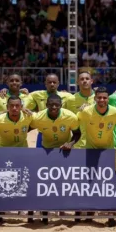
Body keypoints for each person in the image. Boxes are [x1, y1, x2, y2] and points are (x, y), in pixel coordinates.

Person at [30, 93, 81, 224]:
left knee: (65, 182)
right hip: (46, 151)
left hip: (64, 151)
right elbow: (25, 128)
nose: (53, 107)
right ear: (46, 105)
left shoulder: (70, 117)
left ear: (61, 105)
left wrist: (70, 143)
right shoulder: (38, 117)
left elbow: (77, 133)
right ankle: (45, 214)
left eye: (56, 105)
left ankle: (66, 210)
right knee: (46, 183)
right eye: (51, 104)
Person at [77, 86, 116, 223]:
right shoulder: (86, 112)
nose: (102, 100)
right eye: (99, 97)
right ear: (95, 98)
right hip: (90, 151)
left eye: (104, 97)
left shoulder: (115, 112)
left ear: (108, 99)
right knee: (91, 185)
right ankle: (90, 216)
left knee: (109, 185)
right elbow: (74, 123)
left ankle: (111, 217)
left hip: (108, 151)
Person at [0, 95, 34, 223]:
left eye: (17, 106)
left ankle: (24, 210)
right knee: (3, 182)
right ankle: (0, 211)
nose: (14, 108)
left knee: (24, 181)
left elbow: (41, 119)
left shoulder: (28, 117)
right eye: (11, 106)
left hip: (22, 153)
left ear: (21, 107)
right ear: (7, 107)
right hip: (3, 153)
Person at [25, 73, 73, 148]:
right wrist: (21, 92)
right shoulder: (36, 95)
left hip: (62, 133)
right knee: (41, 158)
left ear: (58, 84)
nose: (52, 84)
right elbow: (20, 101)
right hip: (43, 133)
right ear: (45, 83)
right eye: (49, 82)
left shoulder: (67, 96)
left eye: (54, 82)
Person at [63, 71, 95, 149]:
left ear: (91, 81)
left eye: (87, 79)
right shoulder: (71, 99)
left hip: (96, 143)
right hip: (78, 143)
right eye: (82, 79)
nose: (84, 81)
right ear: (77, 82)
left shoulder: (100, 99)